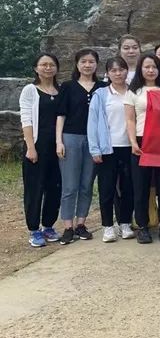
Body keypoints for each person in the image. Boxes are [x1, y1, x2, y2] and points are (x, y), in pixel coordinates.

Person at [56, 48, 105, 244]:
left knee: (86, 184)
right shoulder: (67, 87)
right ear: (77, 64)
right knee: (69, 186)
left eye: (91, 61)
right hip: (71, 137)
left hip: (94, 140)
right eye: (83, 61)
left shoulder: (103, 87)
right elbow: (61, 115)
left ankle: (81, 224)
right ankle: (68, 227)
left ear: (96, 64)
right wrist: (59, 141)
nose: (87, 65)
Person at [124, 54, 160, 243]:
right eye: (147, 67)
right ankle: (143, 226)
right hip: (141, 140)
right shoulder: (133, 92)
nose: (151, 70)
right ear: (140, 69)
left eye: (154, 67)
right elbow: (130, 119)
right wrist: (133, 142)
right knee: (141, 186)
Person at [88, 57, 135, 243]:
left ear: (126, 71)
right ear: (107, 73)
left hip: (130, 147)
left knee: (128, 188)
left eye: (121, 69)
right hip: (108, 148)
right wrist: (95, 149)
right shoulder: (101, 94)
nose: (118, 73)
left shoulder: (134, 91)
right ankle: (107, 226)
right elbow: (92, 123)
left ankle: (125, 223)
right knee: (107, 188)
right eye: (113, 70)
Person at [20, 53, 62, 247]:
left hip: (58, 147)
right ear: (36, 68)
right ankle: (34, 229)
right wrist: (30, 147)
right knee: (35, 189)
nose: (48, 68)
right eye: (43, 64)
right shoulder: (30, 90)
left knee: (55, 187)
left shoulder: (61, 90)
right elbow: (26, 119)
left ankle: (48, 226)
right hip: (37, 146)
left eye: (51, 64)